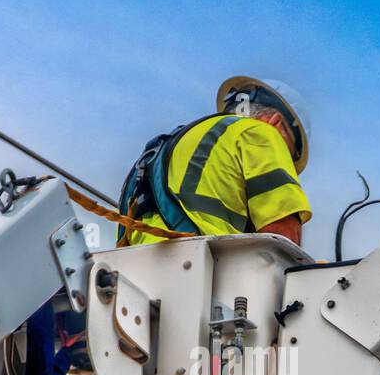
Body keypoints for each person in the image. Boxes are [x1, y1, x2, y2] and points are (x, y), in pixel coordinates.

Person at [119, 76, 312, 247]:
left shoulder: (173, 144)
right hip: (201, 269)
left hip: (133, 271)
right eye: (289, 153)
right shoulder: (262, 133)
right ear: (277, 123)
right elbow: (283, 238)